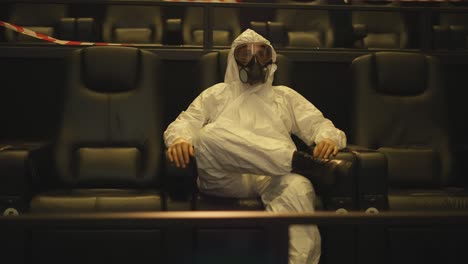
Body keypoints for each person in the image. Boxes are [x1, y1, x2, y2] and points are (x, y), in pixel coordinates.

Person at [164, 29, 351, 264]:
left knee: (298, 187)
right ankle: (299, 162)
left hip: (273, 177)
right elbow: (183, 124)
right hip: (226, 177)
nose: (254, 61)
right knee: (205, 137)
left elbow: (319, 124)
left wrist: (328, 139)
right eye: (245, 54)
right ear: (234, 59)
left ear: (271, 60)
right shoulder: (216, 94)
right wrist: (180, 140)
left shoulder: (284, 96)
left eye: (261, 55)